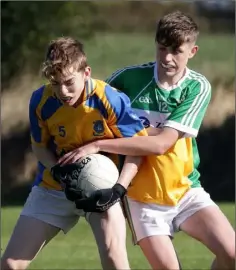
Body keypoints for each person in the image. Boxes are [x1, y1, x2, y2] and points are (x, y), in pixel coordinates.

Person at [59, 11, 235, 270]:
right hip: (142, 199)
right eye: (162, 48)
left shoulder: (197, 87)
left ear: (192, 51)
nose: (166, 58)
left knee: (231, 255)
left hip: (186, 190)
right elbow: (91, 114)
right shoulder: (127, 80)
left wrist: (100, 144)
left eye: (176, 50)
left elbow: (162, 143)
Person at [1, 36, 148, 270]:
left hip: (102, 188)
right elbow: (39, 147)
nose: (62, 90)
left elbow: (138, 148)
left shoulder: (109, 98)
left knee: (115, 261)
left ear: (86, 72)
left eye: (69, 81)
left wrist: (118, 189)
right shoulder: (40, 100)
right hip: (54, 187)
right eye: (55, 82)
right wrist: (59, 172)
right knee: (9, 264)